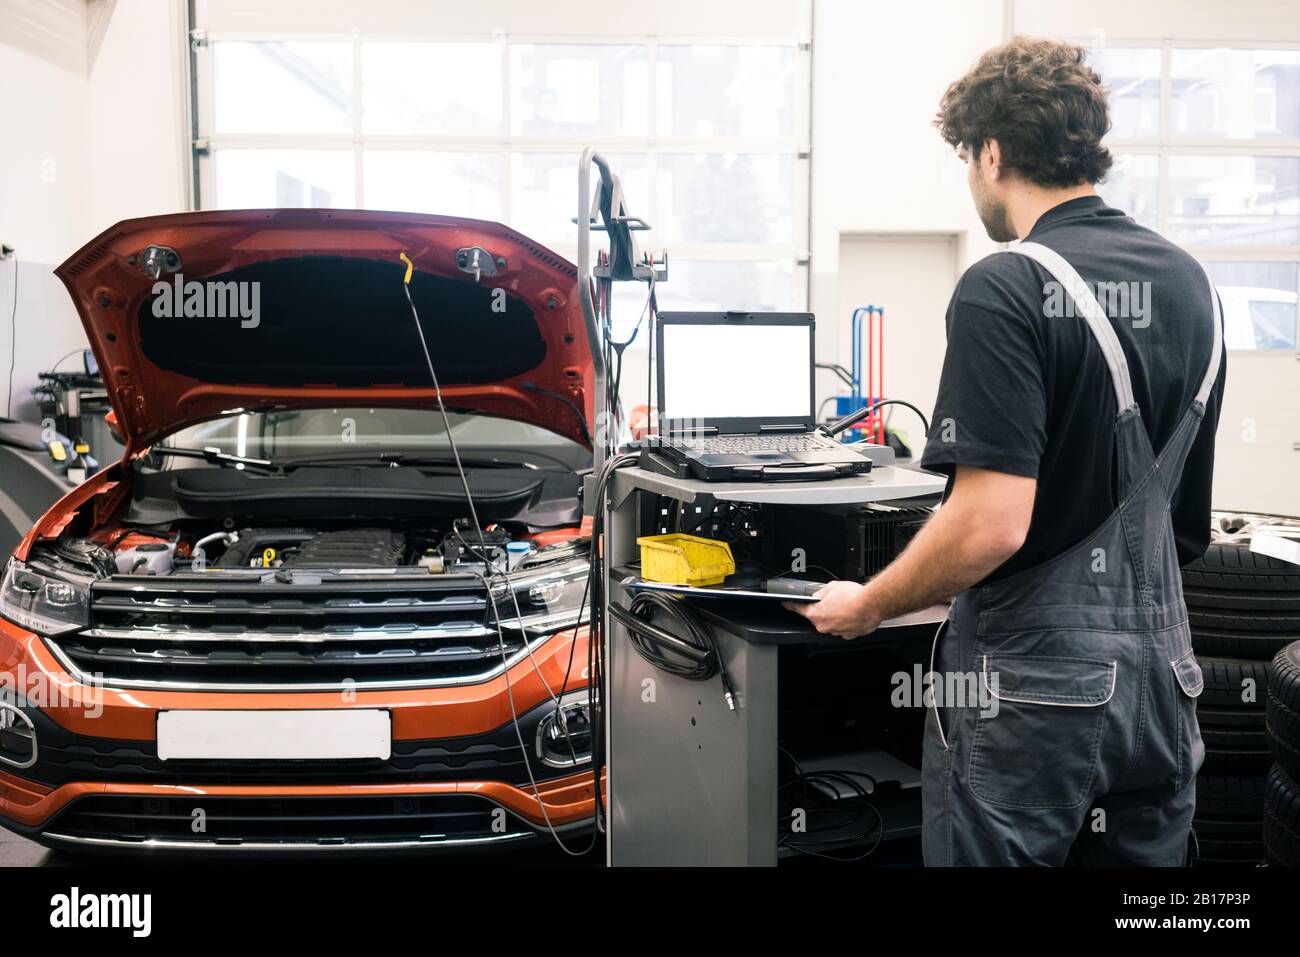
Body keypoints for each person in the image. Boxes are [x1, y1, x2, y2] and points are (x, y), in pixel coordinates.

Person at [785, 36, 1226, 866]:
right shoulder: (1193, 285)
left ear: (991, 152)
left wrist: (871, 602)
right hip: (1168, 685)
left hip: (1033, 697)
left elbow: (990, 524)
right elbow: (1181, 528)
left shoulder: (1007, 283)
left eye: (966, 159)